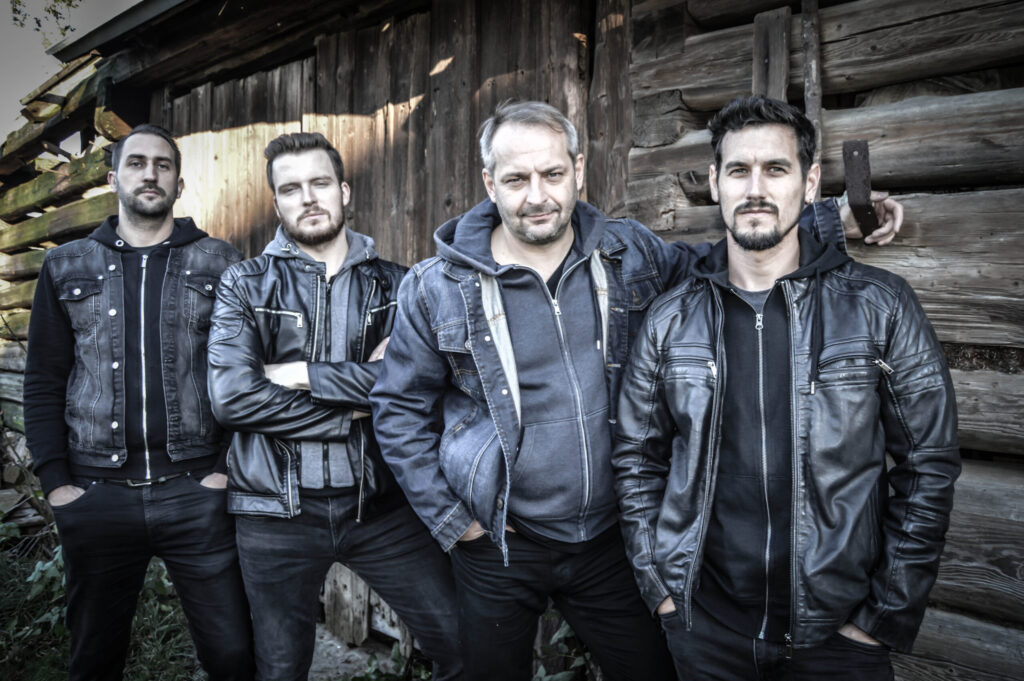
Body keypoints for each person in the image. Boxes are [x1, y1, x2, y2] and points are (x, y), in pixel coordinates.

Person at [368, 100, 901, 681]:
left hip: (608, 540)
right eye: (517, 180)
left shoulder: (629, 254)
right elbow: (397, 410)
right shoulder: (437, 287)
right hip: (498, 540)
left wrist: (831, 220)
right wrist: (457, 525)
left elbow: (720, 261)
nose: (537, 196)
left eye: (552, 174)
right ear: (491, 184)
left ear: (578, 170)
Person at [611, 96, 960, 680]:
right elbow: (636, 459)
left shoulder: (880, 306)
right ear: (715, 185)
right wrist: (664, 595)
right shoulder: (670, 320)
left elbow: (928, 464)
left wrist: (880, 618)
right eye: (738, 170)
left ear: (809, 182)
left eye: (775, 169)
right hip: (707, 633)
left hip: (839, 636)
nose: (755, 189)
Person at [206, 132, 463, 681]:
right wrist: (358, 404)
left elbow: (422, 386)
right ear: (276, 203)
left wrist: (299, 374)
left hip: (383, 508)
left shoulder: (400, 286)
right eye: (291, 188)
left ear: (344, 191)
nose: (308, 198)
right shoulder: (244, 285)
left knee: (462, 644)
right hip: (274, 512)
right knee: (280, 668)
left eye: (320, 183)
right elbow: (232, 399)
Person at [23, 124, 254, 681]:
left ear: (179, 183)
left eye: (163, 165)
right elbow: (44, 380)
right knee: (93, 660)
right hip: (96, 493)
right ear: (113, 179)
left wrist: (223, 471)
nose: (150, 174)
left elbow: (247, 374)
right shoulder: (66, 265)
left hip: (196, 492)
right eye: (136, 163)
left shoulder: (222, 263)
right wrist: (57, 484)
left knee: (233, 656)